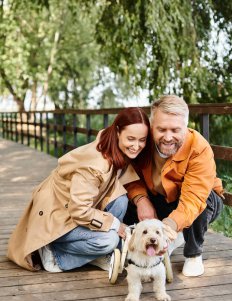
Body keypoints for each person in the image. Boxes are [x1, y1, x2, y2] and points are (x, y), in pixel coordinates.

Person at [7, 107, 152, 273]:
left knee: (120, 200)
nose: (137, 146)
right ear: (118, 132)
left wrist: (142, 199)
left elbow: (127, 178)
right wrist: (115, 224)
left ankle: (96, 253)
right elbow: (79, 211)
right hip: (58, 217)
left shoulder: (111, 143)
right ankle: (54, 254)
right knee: (109, 240)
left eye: (142, 140)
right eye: (131, 139)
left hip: (74, 210)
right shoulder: (95, 164)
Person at [124, 95, 224, 277]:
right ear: (152, 126)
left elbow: (194, 198)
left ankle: (194, 254)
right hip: (158, 197)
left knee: (203, 202)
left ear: (185, 128)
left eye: (175, 130)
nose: (168, 137)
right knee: (125, 202)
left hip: (197, 200)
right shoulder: (141, 141)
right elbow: (130, 175)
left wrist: (166, 228)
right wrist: (141, 199)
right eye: (161, 129)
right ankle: (126, 247)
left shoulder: (199, 148)